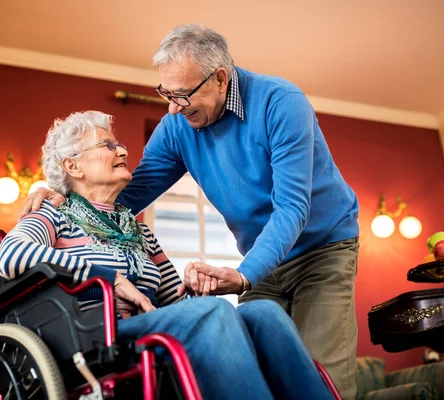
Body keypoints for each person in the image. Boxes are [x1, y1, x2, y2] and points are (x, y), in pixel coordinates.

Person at [23, 24, 360, 399]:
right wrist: (57, 192)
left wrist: (232, 278)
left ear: (219, 79)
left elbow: (292, 207)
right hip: (259, 259)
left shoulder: (280, 102)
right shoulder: (175, 128)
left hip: (322, 248)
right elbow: (127, 192)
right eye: (166, 93)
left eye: (182, 95)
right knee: (254, 338)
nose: (171, 108)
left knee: (321, 361)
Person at [1, 110, 333, 400]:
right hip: (92, 337)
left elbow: (174, 305)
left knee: (264, 313)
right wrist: (109, 278)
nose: (123, 150)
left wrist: (194, 287)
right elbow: (11, 255)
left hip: (144, 328)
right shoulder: (53, 214)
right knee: (212, 314)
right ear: (72, 165)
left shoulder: (139, 232)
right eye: (107, 145)